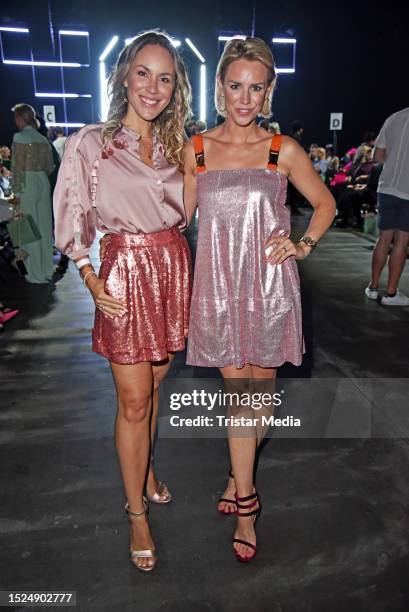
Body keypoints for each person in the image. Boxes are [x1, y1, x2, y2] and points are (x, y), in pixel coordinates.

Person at [183, 37, 335, 563]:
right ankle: (247, 505)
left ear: (268, 92)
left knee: (262, 402)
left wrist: (300, 245)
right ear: (220, 87)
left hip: (270, 289)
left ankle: (235, 471)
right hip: (218, 290)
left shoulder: (281, 149)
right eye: (235, 86)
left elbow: (325, 204)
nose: (244, 98)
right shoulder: (197, 149)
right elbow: (176, 218)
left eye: (256, 87)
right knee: (240, 401)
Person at [53, 31, 193, 571]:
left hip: (171, 271)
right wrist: (89, 276)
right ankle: (136, 512)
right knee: (133, 400)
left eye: (164, 78)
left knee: (157, 383)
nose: (152, 88)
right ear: (124, 76)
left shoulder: (180, 146)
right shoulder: (92, 141)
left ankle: (148, 467)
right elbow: (72, 210)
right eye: (143, 73)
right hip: (124, 274)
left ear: (174, 86)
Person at [365, 107, 409, 305]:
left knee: (383, 238)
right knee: (401, 241)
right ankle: (391, 294)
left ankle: (373, 287)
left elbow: (377, 155)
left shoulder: (394, 118)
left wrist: (393, 164)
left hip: (387, 187)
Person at [10, 104, 55, 284]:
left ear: (21, 118)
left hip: (27, 182)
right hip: (43, 181)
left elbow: (17, 166)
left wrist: (15, 191)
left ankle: (34, 273)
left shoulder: (19, 137)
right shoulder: (43, 139)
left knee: (29, 228)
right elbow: (50, 167)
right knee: (44, 227)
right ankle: (46, 271)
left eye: (15, 118)